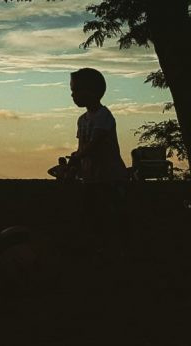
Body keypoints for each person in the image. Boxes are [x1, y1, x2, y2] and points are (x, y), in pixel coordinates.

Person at [67, 67, 129, 250]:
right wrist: (75, 163)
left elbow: (95, 144)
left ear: (92, 92)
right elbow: (83, 147)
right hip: (91, 178)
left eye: (76, 90)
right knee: (91, 217)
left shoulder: (104, 116)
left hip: (110, 178)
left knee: (109, 217)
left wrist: (77, 158)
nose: (73, 95)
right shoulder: (82, 120)